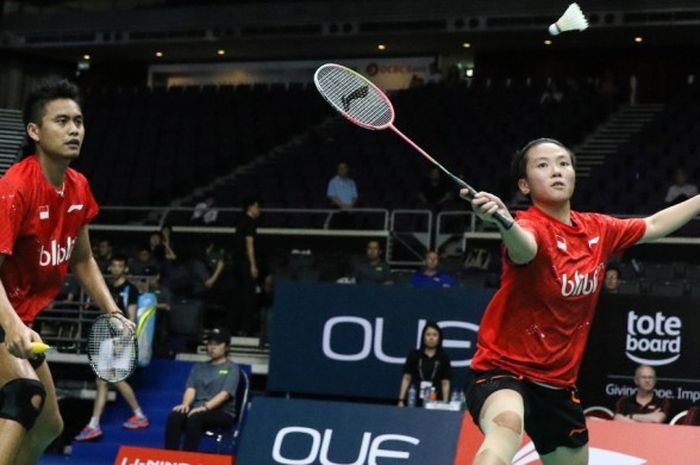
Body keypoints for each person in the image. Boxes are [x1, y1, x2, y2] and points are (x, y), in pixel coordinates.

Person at [461, 137, 700, 465]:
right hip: (503, 369)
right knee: (506, 427)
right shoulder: (529, 226)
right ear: (524, 185)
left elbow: (654, 225)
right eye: (542, 166)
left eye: (563, 163)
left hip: (558, 385)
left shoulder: (598, 229)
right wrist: (505, 222)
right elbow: (524, 248)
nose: (556, 171)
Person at [0, 77, 134, 465]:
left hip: (20, 319)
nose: (74, 129)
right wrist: (11, 326)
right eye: (61, 121)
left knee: (49, 425)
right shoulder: (15, 189)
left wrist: (112, 312)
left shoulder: (78, 188)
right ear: (34, 131)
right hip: (4, 316)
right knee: (26, 394)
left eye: (78, 120)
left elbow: (82, 258)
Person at [75, 254, 149, 441]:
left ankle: (138, 415)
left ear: (125, 268)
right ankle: (94, 424)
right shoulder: (107, 288)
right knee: (102, 380)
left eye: (120, 265)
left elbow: (131, 318)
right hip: (107, 339)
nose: (116, 268)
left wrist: (124, 341)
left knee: (112, 378)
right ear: (110, 268)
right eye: (113, 265)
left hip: (121, 338)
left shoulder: (130, 289)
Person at [164, 327, 240, 452]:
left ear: (226, 347)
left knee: (195, 419)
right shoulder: (199, 367)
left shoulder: (232, 368)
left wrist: (205, 408)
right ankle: (170, 458)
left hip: (222, 412)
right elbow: (191, 388)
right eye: (210, 343)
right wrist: (186, 404)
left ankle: (188, 458)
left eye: (217, 344)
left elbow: (225, 394)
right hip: (197, 409)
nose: (212, 347)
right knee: (175, 416)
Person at [398, 322, 451, 407]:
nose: (431, 338)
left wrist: (445, 404)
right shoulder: (414, 355)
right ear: (423, 337)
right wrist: (401, 400)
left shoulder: (443, 358)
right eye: (428, 334)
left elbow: (445, 382)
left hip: (436, 403)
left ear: (439, 338)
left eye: (434, 335)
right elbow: (406, 378)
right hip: (413, 401)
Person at [231, 197, 261, 336]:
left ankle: (235, 326)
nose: (258, 209)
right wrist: (253, 265)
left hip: (237, 264)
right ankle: (245, 328)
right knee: (248, 296)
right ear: (250, 207)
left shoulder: (240, 222)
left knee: (238, 295)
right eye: (257, 206)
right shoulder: (249, 223)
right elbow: (250, 245)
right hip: (245, 265)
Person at [326, 161, 358, 229]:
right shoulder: (333, 181)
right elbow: (332, 197)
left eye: (344, 168)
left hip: (350, 211)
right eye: (340, 168)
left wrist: (350, 207)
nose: (342, 170)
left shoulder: (352, 182)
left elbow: (354, 197)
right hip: (338, 211)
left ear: (347, 169)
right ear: (337, 169)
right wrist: (344, 207)